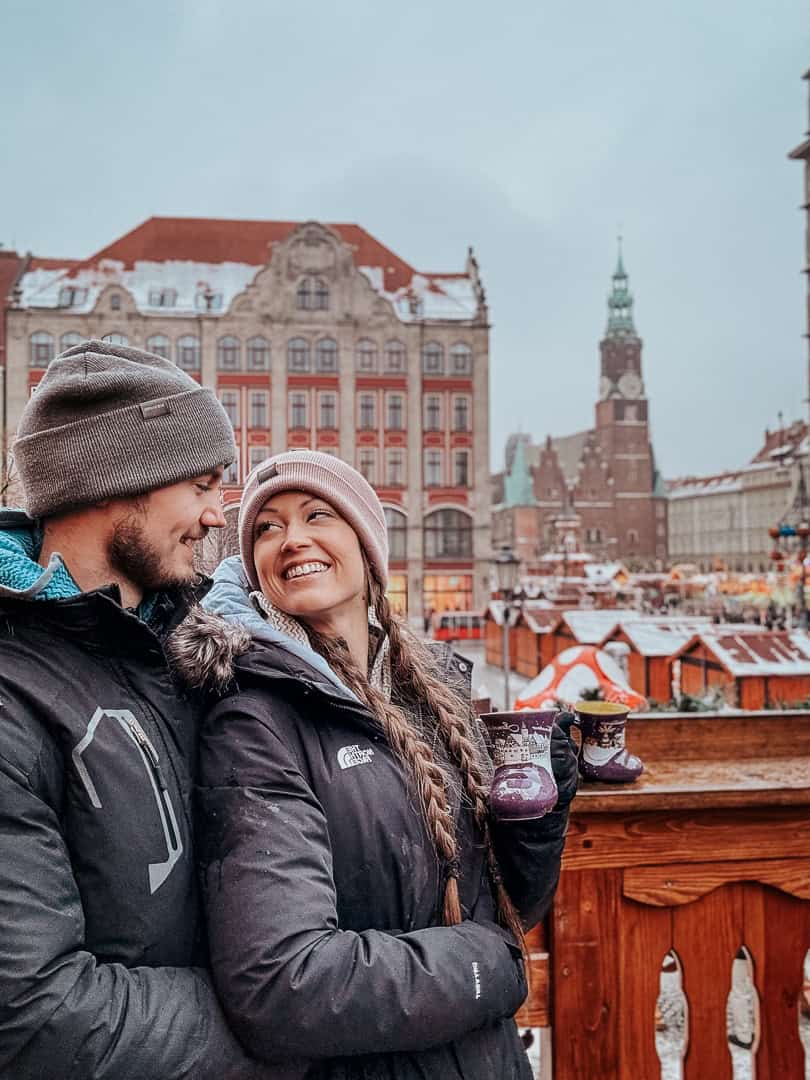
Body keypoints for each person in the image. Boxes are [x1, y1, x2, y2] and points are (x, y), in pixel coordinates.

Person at [181, 450, 578, 1079]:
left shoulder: (432, 694)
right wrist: (484, 968)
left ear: (367, 546)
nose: (292, 539)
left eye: (317, 515)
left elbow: (496, 911)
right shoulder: (257, 721)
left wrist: (536, 819)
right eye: (267, 527)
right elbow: (283, 985)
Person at [0, 340, 272, 1078]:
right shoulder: (13, 695)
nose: (220, 516)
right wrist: (283, 1021)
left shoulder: (189, 653)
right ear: (121, 483)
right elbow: (33, 1015)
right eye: (203, 484)